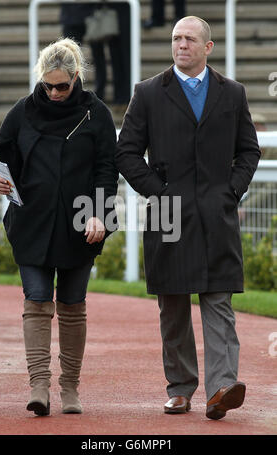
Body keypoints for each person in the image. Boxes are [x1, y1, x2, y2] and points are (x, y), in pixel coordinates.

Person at [116, 16, 260, 419]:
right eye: (177, 38)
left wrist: (230, 190)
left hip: (217, 214)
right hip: (166, 213)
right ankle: (180, 388)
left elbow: (249, 151)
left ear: (207, 47)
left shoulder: (232, 93)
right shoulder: (147, 93)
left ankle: (221, 388)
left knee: (219, 301)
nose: (181, 45)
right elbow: (126, 152)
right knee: (173, 303)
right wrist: (158, 192)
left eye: (190, 39)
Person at [0, 37, 118, 416]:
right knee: (37, 299)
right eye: (48, 85)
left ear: (77, 77)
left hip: (82, 222)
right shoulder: (23, 110)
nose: (55, 92)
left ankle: (70, 387)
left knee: (73, 305)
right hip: (31, 221)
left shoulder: (97, 114)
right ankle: (39, 386)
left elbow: (106, 170)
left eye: (62, 85)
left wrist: (98, 213)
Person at [60, 2, 130, 107]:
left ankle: (100, 94)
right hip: (74, 15)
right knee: (70, 61)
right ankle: (72, 95)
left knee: (98, 58)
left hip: (91, 14)